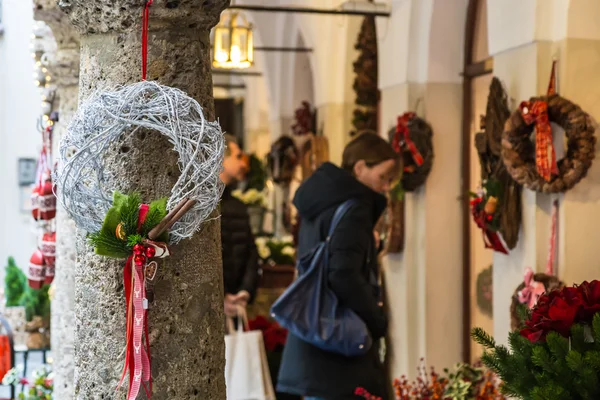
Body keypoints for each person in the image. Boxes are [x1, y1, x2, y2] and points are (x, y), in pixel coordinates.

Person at [277, 132, 400, 400]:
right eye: (383, 177)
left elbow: (327, 254)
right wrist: (376, 320)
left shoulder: (321, 200)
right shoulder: (355, 208)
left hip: (313, 338)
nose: (387, 186)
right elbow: (342, 273)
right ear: (359, 168)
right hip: (339, 347)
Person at [220, 134, 260, 317]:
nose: (244, 164)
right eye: (237, 157)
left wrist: (246, 291)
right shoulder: (203, 206)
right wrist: (221, 295)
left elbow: (250, 250)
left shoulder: (238, 205)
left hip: (237, 304)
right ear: (221, 157)